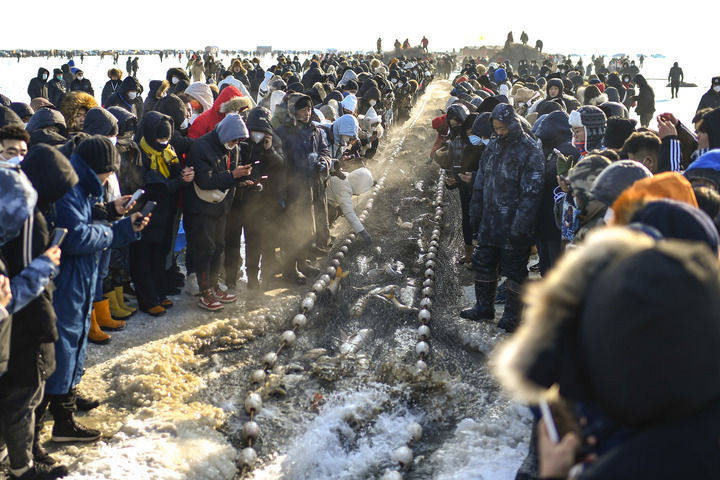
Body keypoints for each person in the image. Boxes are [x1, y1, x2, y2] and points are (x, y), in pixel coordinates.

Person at [38, 136, 148, 445]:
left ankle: (66, 397)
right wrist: (115, 230)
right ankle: (61, 420)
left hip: (80, 277)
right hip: (68, 277)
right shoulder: (69, 189)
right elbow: (76, 237)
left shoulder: (83, 187)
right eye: (107, 172)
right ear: (94, 168)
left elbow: (88, 217)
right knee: (64, 341)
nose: (109, 178)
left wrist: (112, 211)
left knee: (76, 337)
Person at [0, 166, 67, 480]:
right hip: (20, 331)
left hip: (13, 335)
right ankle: (20, 468)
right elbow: (9, 300)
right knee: (20, 399)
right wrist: (42, 268)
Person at [463, 103, 544, 332]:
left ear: (512, 124)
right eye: (496, 128)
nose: (499, 132)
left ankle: (512, 317)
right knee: (484, 263)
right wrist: (475, 211)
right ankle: (483, 307)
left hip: (514, 223)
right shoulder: (493, 147)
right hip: (490, 221)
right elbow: (482, 180)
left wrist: (520, 226)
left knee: (515, 270)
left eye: (502, 128)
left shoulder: (530, 150)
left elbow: (532, 192)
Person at [185, 114, 251, 310]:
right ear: (226, 135)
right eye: (234, 140)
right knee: (205, 249)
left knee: (219, 247)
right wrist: (232, 175)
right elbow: (205, 181)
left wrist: (241, 179)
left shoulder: (233, 148)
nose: (235, 144)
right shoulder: (201, 147)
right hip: (201, 209)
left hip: (221, 207)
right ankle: (205, 292)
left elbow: (229, 175)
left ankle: (214, 286)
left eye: (238, 141)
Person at [130, 112, 192, 316]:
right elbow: (154, 184)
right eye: (160, 139)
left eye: (167, 139)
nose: (164, 143)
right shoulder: (139, 153)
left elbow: (172, 175)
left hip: (166, 212)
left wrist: (183, 175)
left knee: (160, 254)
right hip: (146, 213)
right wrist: (178, 183)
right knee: (144, 258)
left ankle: (159, 291)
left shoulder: (168, 150)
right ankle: (147, 299)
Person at [275, 94, 332, 284]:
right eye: (302, 109)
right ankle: (290, 270)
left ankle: (303, 262)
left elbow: (325, 150)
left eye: (309, 109)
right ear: (293, 110)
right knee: (293, 230)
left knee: (308, 227)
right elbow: (278, 163)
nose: (307, 113)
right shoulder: (283, 132)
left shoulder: (314, 130)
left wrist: (323, 162)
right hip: (294, 189)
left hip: (313, 186)